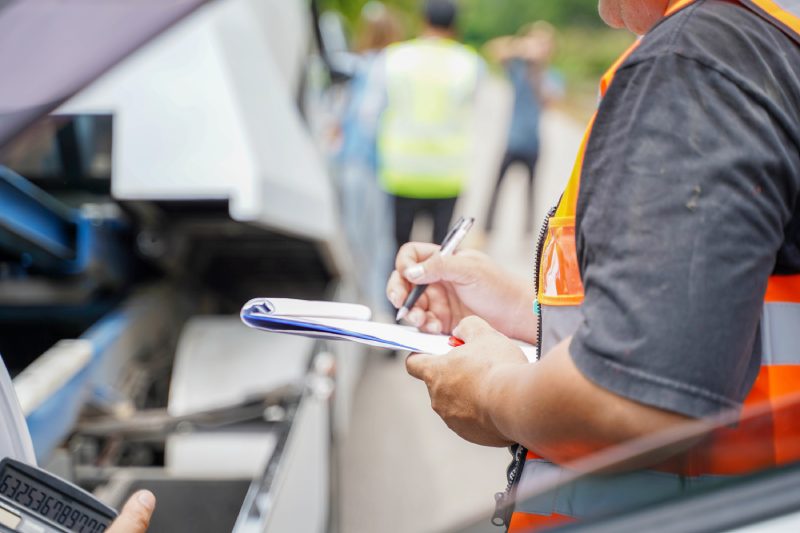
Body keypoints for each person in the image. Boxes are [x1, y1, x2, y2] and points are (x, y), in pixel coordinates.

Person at [386, 0, 800, 530]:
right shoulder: (769, 41)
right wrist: (521, 308)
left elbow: (632, 395)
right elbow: (721, 316)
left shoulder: (695, 61)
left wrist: (489, 391)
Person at [368, 0, 484, 250]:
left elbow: (371, 113)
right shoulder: (469, 63)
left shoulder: (395, 58)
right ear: (454, 25)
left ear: (423, 20)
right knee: (441, 251)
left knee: (399, 250)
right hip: (447, 172)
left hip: (401, 170)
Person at [484, 22, 562, 236]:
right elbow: (493, 49)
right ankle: (486, 229)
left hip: (533, 143)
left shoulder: (551, 75)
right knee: (496, 189)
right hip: (512, 140)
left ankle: (529, 233)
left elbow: (550, 100)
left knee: (531, 192)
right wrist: (522, 47)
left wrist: (537, 71)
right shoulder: (517, 68)